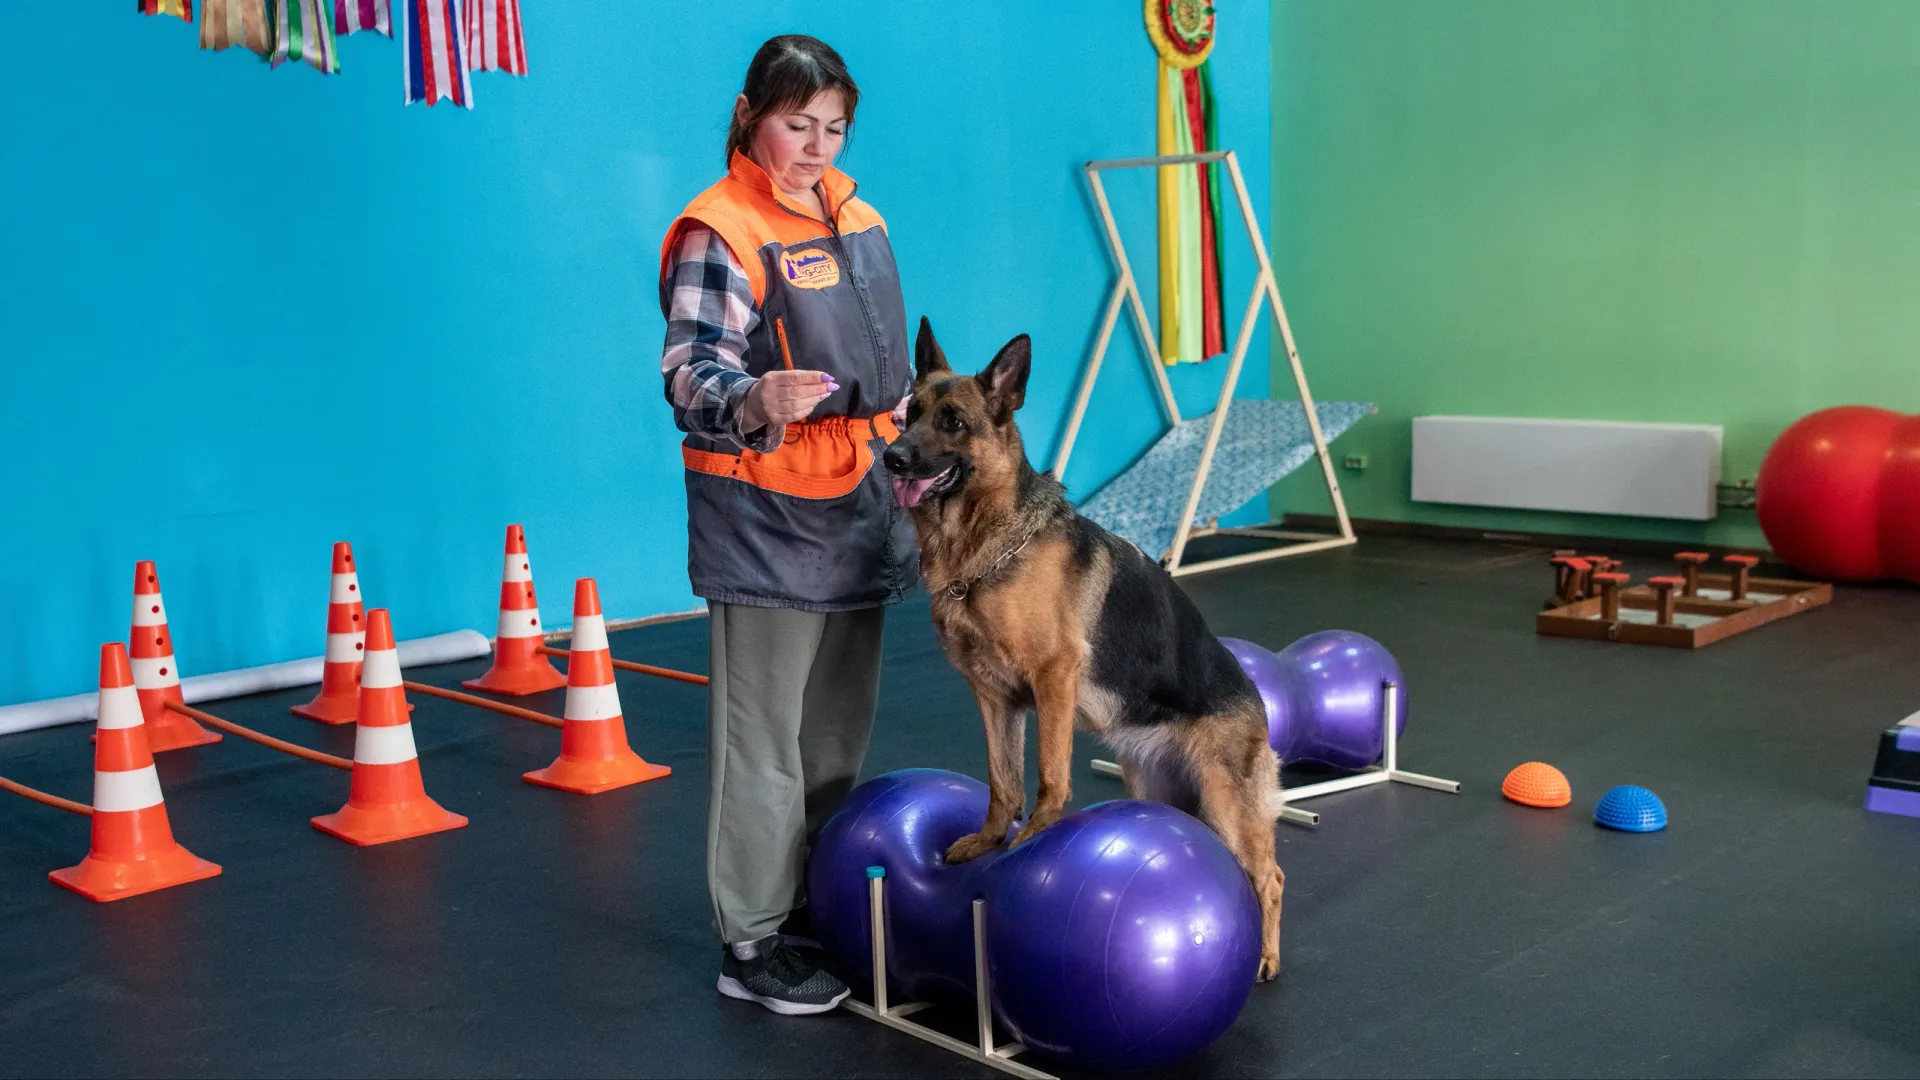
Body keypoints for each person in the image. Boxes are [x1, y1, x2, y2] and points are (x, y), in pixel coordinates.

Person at [657, 34, 915, 1016]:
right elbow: (690, 372)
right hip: (763, 509)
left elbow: (880, 367)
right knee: (763, 739)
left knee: (835, 733)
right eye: (796, 124)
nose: (815, 146)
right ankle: (751, 942)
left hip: (862, 502)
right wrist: (755, 396)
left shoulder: (861, 215)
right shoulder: (718, 229)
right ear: (748, 114)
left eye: (834, 127)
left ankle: (817, 900)